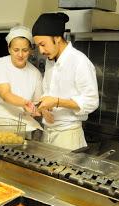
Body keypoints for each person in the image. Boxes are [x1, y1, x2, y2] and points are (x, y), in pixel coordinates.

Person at [32, 12, 99, 151]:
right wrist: (44, 108)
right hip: (48, 132)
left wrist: (57, 102)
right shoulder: (51, 61)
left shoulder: (79, 61)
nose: (41, 50)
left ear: (57, 38)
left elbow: (92, 101)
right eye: (38, 46)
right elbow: (48, 93)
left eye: (43, 44)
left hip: (69, 136)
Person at [0, 26, 43, 116]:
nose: (20, 54)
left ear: (30, 51)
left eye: (25, 50)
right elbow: (5, 94)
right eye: (16, 50)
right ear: (9, 49)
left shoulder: (35, 74)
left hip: (20, 121)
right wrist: (25, 103)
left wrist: (38, 111)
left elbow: (36, 103)